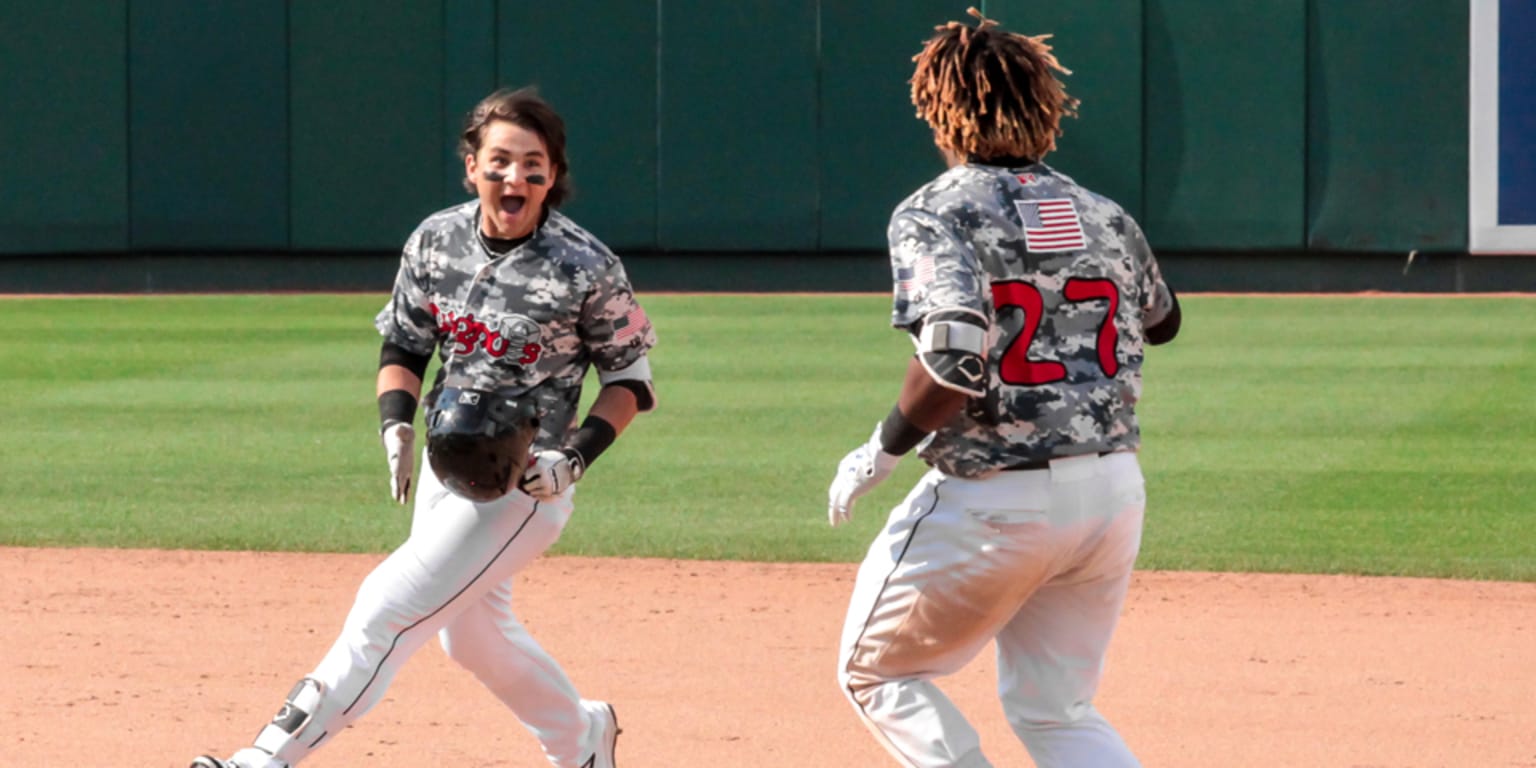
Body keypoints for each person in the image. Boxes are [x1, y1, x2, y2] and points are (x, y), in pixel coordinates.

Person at [191, 86, 655, 768]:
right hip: (445, 461)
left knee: (387, 606)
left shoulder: (585, 265)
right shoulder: (436, 239)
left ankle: (263, 758)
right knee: (469, 637)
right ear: (472, 166)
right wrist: (395, 425)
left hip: (526, 485)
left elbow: (632, 382)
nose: (515, 176)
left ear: (553, 176)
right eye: (499, 160)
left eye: (533, 163)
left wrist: (575, 459)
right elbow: (405, 345)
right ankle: (581, 737)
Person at [827, 8, 1181, 768]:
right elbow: (1165, 320)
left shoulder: (934, 210)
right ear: (1049, 111)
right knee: (1057, 711)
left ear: (940, 110)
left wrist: (880, 450)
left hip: (995, 504)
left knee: (877, 673)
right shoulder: (1105, 213)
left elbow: (954, 359)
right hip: (1114, 498)